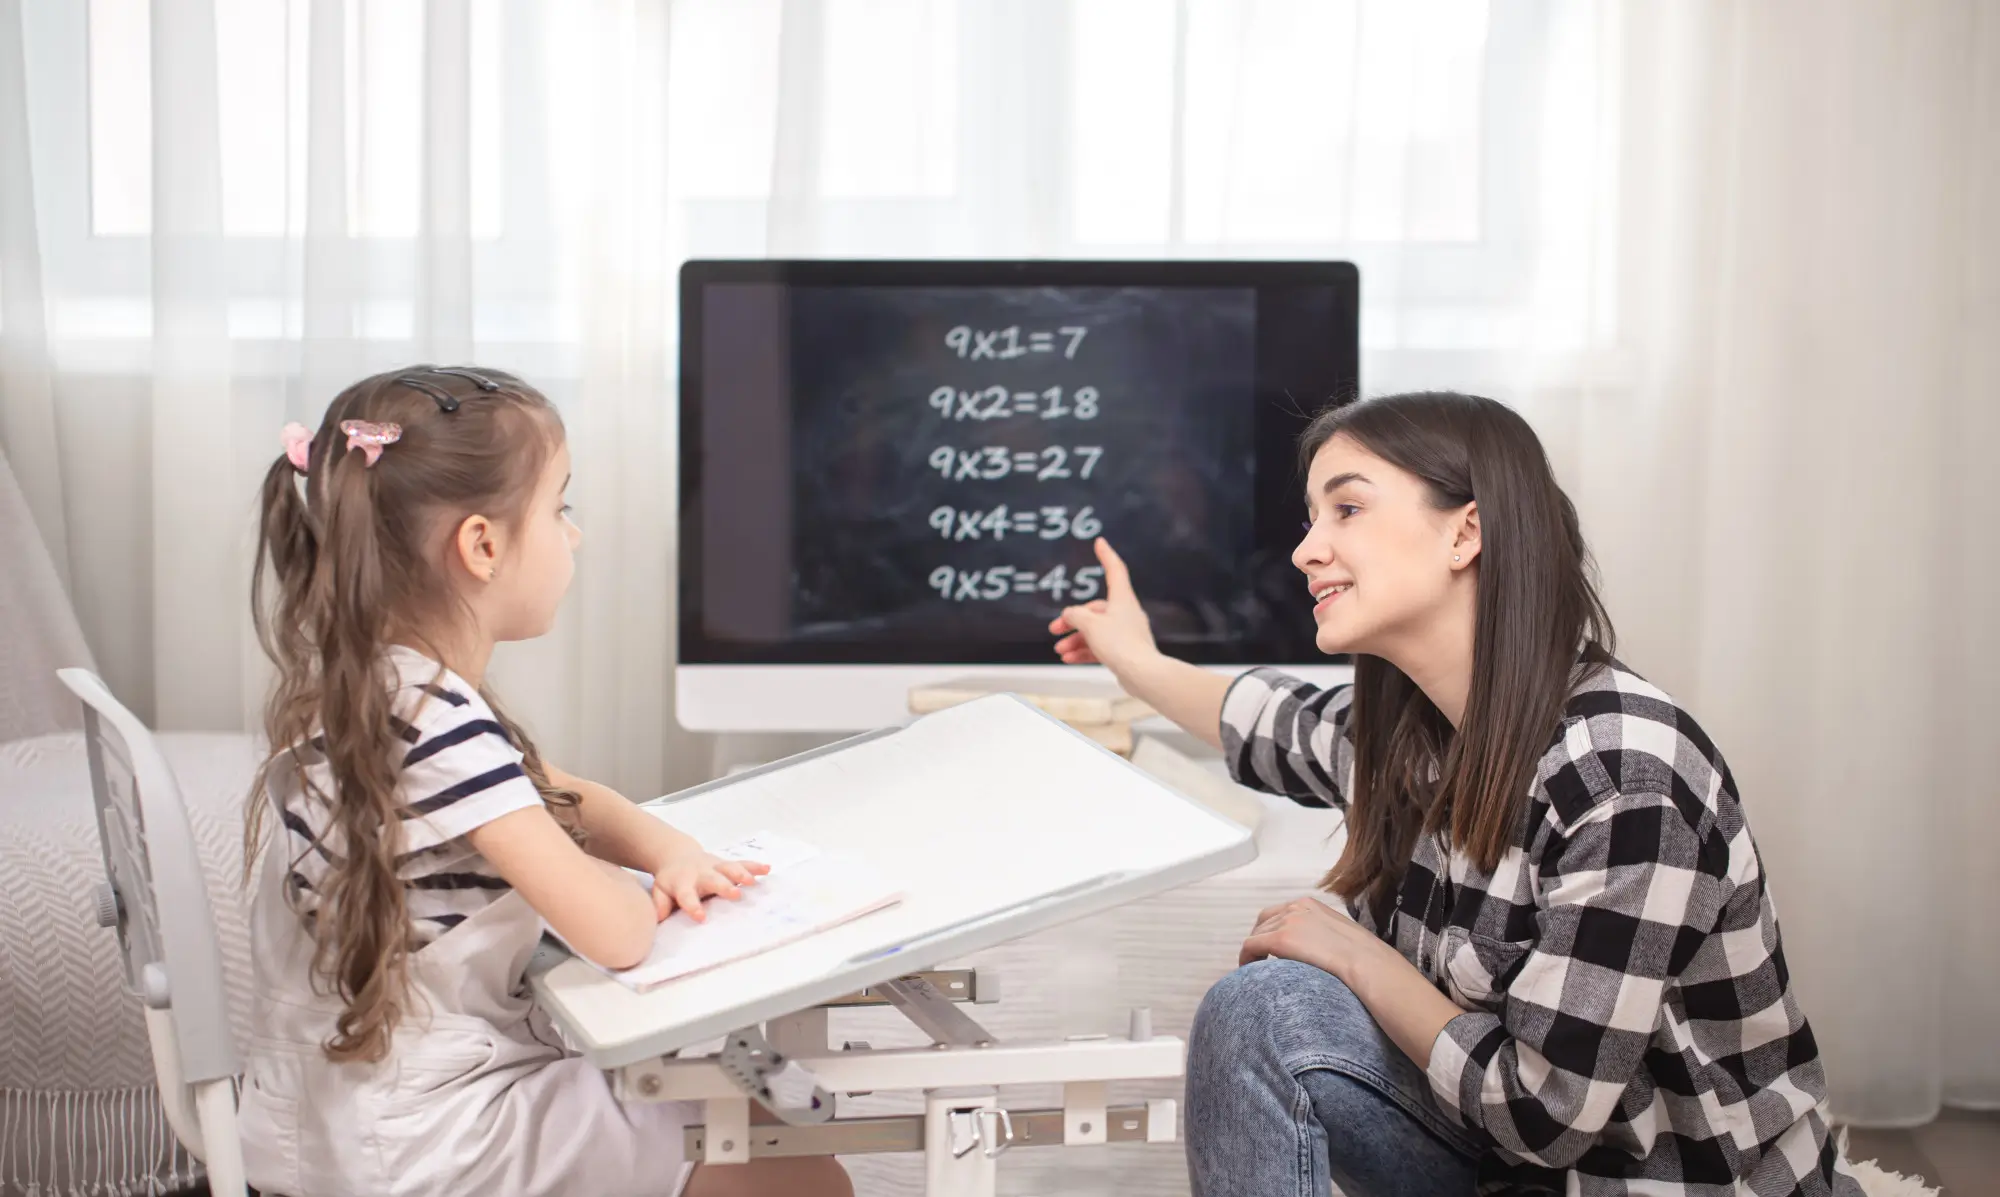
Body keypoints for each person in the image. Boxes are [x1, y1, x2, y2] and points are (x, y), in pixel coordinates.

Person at [1050, 391, 1860, 1196]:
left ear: (1465, 531)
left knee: (1268, 1004)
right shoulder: (1414, 736)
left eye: (1347, 509)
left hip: (1661, 1179)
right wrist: (1132, 657)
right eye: (1311, 518)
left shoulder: (1624, 777)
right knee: (1258, 1011)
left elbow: (1548, 1112)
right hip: (1499, 1161)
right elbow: (1262, 720)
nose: (1306, 550)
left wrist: (1354, 954)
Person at [238, 365, 852, 1197]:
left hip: (347, 1110)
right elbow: (619, 934)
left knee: (756, 1096)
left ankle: (781, 1127)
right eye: (561, 507)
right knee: (783, 1156)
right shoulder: (438, 726)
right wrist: (633, 888)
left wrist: (668, 849)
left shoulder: (375, 690)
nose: (575, 535)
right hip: (436, 1136)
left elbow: (563, 796)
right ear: (483, 545)